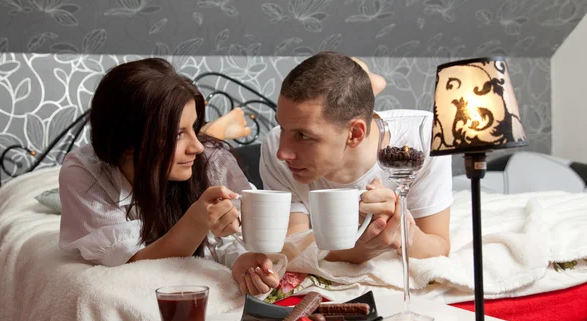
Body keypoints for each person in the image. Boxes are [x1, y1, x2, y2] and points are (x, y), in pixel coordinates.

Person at [231, 51, 453, 294]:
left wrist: (405, 232)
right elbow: (293, 244)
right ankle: (367, 79)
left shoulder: (421, 138)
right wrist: (359, 252)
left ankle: (368, 79)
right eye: (283, 127)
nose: (283, 153)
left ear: (355, 134)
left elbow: (438, 244)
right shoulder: (275, 145)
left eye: (304, 136)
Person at [58, 58, 255, 268]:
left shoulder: (210, 157)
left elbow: (240, 241)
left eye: (194, 127)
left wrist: (245, 263)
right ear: (128, 143)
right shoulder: (83, 173)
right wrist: (197, 220)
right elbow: (130, 263)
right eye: (178, 134)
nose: (196, 147)